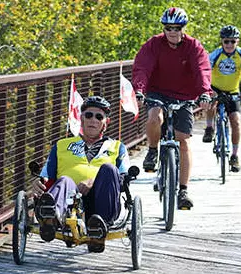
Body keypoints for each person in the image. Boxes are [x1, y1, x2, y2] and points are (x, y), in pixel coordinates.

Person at [132, 7, 212, 209]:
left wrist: (204, 92)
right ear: (164, 28)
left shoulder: (193, 46)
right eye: (168, 28)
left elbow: (202, 69)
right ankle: (152, 151)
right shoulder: (154, 44)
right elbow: (143, 67)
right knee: (154, 116)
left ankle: (183, 190)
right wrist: (139, 90)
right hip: (157, 91)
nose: (172, 32)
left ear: (183, 28)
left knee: (183, 141)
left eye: (177, 28)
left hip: (185, 95)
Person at [32, 96, 131, 253]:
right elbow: (47, 177)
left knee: (109, 169)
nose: (93, 120)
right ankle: (50, 219)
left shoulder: (117, 147)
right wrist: (39, 183)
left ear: (106, 122)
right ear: (81, 118)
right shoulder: (61, 145)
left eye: (99, 117)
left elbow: (124, 179)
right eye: (88, 115)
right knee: (64, 179)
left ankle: (99, 226)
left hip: (101, 201)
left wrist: (92, 181)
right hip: (68, 201)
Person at [202, 25, 241, 172]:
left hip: (233, 91)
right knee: (211, 103)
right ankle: (209, 128)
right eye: (226, 41)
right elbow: (205, 71)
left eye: (233, 41)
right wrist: (206, 89)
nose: (229, 45)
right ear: (222, 41)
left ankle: (235, 156)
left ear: (237, 41)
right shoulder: (216, 55)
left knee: (236, 122)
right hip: (215, 89)